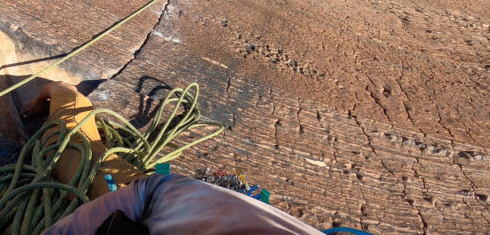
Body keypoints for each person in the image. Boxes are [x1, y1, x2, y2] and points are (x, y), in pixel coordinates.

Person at [28, 82, 324, 235]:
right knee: (67, 148)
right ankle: (63, 90)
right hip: (151, 197)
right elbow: (152, 193)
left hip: (171, 200)